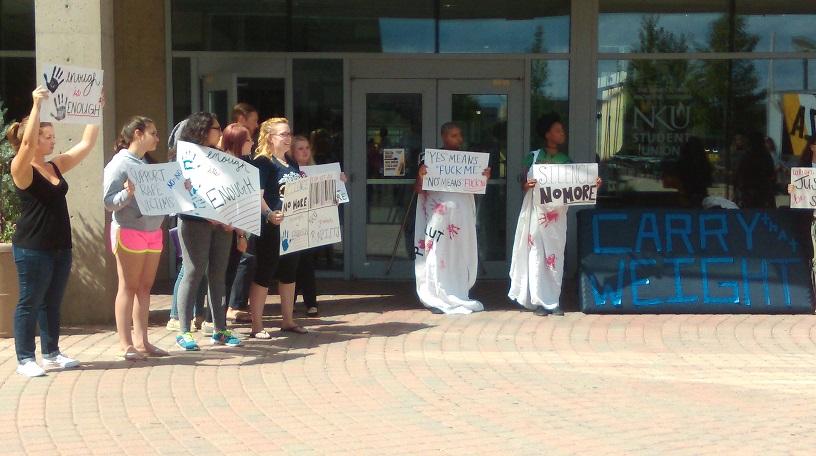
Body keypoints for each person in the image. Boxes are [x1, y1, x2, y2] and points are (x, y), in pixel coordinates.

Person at [8, 86, 101, 377]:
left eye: (52, 137)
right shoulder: (21, 168)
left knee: (52, 301)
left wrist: (95, 110)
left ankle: (51, 352)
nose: (52, 141)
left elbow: (85, 145)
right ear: (32, 139)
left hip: (61, 245)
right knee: (30, 301)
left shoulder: (55, 166)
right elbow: (24, 148)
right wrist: (36, 105)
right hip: (32, 247)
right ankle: (25, 359)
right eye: (46, 136)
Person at [508, 113, 601, 316]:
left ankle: (552, 300)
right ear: (548, 134)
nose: (562, 134)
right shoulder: (532, 157)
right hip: (535, 214)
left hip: (556, 216)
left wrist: (593, 184)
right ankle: (539, 300)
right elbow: (522, 183)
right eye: (558, 130)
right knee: (536, 254)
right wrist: (527, 184)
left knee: (554, 255)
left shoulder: (566, 160)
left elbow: (577, 184)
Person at [174, 112, 241, 350]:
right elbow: (179, 191)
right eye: (216, 128)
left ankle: (220, 328)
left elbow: (232, 189)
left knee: (218, 274)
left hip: (222, 224)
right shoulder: (185, 156)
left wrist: (232, 218)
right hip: (194, 222)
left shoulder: (222, 156)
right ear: (203, 130)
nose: (220, 133)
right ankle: (184, 330)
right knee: (193, 271)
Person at [103, 116, 169, 360]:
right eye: (153, 133)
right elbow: (108, 202)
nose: (157, 138)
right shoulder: (120, 163)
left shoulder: (146, 162)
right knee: (128, 286)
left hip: (153, 230)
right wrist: (127, 194)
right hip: (130, 229)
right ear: (138, 134)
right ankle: (125, 343)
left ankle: (143, 341)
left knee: (144, 287)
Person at [413, 122, 491, 314]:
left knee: (458, 255)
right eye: (454, 136)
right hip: (438, 218)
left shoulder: (468, 160)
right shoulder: (429, 158)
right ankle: (436, 296)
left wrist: (483, 178)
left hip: (460, 218)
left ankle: (458, 293)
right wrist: (421, 175)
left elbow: (476, 189)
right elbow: (418, 190)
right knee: (436, 254)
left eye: (460, 135)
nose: (459, 139)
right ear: (444, 136)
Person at [248, 118, 306, 338]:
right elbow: (257, 195)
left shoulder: (291, 163)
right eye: (283, 134)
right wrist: (269, 214)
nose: (288, 138)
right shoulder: (263, 162)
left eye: (289, 133)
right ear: (269, 137)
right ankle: (257, 326)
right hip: (271, 227)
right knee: (264, 273)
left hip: (293, 226)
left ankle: (288, 320)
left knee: (289, 274)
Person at [220, 123, 254, 323]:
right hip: (225, 227)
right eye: (248, 139)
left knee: (227, 273)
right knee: (223, 276)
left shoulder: (240, 164)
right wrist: (241, 235)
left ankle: (216, 319)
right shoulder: (230, 166)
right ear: (238, 142)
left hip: (233, 226)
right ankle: (215, 320)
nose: (252, 142)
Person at [735, 131, 776, 209]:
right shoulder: (766, 155)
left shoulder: (746, 155)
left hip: (748, 193)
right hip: (764, 192)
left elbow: (738, 173)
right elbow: (771, 172)